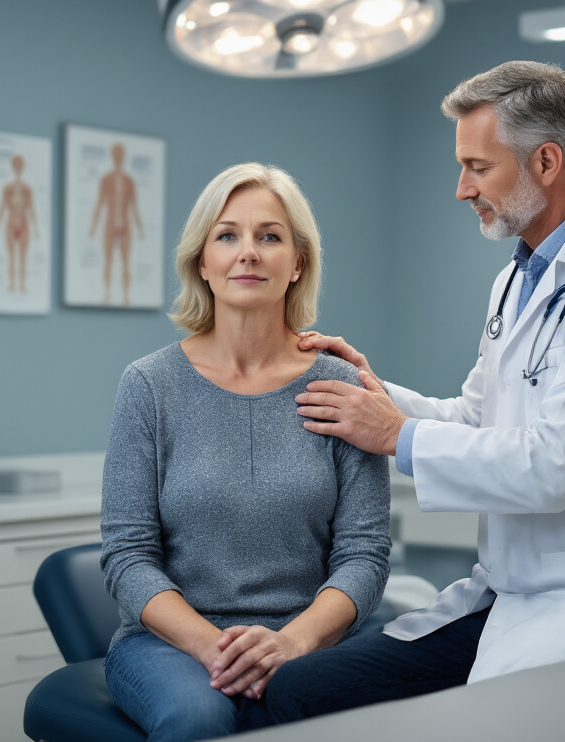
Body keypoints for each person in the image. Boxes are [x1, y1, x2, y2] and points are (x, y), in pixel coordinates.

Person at [265, 61, 565, 719]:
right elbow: (476, 417)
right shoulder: (519, 279)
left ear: (548, 162)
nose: (461, 189)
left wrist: (394, 433)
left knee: (484, 725)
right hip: (509, 593)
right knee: (301, 690)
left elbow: (553, 466)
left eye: (478, 167)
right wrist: (370, 389)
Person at [100, 162, 391, 741]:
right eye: (227, 235)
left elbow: (365, 554)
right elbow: (127, 555)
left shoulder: (341, 389)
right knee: (199, 717)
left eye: (270, 236)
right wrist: (212, 647)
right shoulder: (149, 386)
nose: (249, 252)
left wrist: (295, 641)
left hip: (314, 638)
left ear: (298, 263)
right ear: (202, 263)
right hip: (174, 643)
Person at [89, 142, 144, 305]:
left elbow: (134, 206)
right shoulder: (106, 179)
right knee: (108, 260)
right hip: (110, 224)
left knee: (126, 262)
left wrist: (140, 229)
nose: (118, 158)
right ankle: (107, 294)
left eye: (121, 155)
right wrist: (93, 226)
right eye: (116, 155)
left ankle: (126, 295)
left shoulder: (129, 181)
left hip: (126, 225)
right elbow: (100, 203)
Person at [0, 154, 39, 293]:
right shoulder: (7, 188)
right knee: (12, 256)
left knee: (23, 257)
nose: (18, 168)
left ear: (23, 167)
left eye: (20, 165)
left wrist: (36, 228)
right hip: (11, 221)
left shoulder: (27, 188)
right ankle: (12, 284)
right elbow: (2, 207)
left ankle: (22, 284)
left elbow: (31, 209)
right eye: (16, 165)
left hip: (24, 222)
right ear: (13, 167)